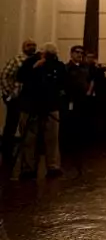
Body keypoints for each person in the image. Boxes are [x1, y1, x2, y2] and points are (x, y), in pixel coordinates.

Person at [17, 43, 67, 179]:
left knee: (52, 138)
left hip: (50, 105)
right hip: (30, 105)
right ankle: (29, 168)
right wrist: (34, 69)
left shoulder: (58, 66)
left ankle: (53, 166)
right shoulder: (30, 62)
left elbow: (62, 83)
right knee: (29, 138)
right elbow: (20, 77)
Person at [1, 39, 36, 169]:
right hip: (16, 97)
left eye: (33, 45)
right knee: (11, 123)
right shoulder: (16, 60)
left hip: (28, 98)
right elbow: (5, 75)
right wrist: (9, 94)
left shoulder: (36, 61)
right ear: (23, 47)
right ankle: (7, 150)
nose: (31, 47)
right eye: (29, 45)